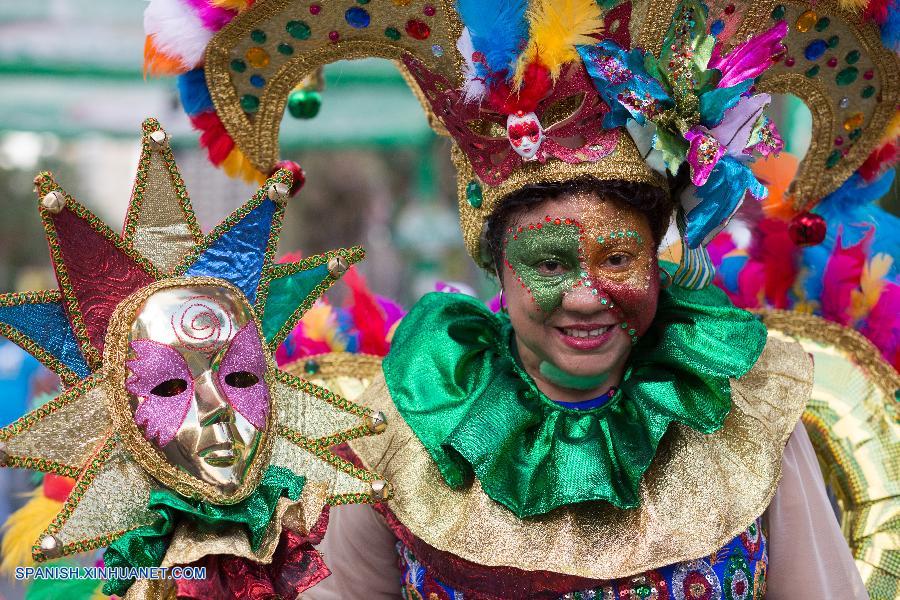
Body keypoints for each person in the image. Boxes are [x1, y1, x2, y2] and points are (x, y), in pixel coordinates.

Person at [144, 0, 898, 597]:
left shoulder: (749, 407)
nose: (586, 295)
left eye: (619, 256)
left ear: (658, 262)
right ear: (497, 270)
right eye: (547, 262)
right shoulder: (400, 431)